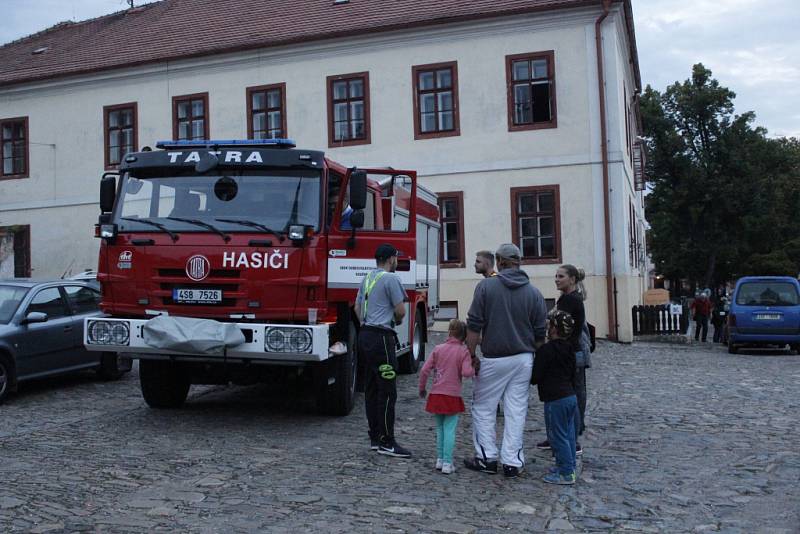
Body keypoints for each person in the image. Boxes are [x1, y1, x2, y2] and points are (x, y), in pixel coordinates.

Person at [463, 243, 547, 478]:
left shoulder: (486, 287)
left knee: (483, 407)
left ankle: (486, 457)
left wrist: (471, 355)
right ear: (519, 262)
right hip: (523, 358)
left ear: (499, 261)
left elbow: (474, 325)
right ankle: (512, 461)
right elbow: (541, 334)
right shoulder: (534, 293)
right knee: (516, 409)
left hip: (493, 357)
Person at [355, 243, 411, 458]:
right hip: (381, 338)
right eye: (396, 258)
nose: (396, 261)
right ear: (391, 259)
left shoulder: (368, 278)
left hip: (365, 335)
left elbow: (357, 308)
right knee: (387, 390)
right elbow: (400, 310)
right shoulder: (391, 278)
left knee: (371, 388)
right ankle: (388, 441)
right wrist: (396, 320)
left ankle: (375, 437)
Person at [538, 265, 588, 455]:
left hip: (570, 353)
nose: (557, 279)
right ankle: (558, 438)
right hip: (571, 352)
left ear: (572, 279)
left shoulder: (570, 300)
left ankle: (572, 440)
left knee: (570, 395)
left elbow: (564, 329)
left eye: (561, 276)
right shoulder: (569, 298)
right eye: (556, 276)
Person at [418, 319, 475, 475]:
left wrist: (422, 388)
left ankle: (440, 459)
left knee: (440, 428)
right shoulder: (463, 352)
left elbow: (424, 370)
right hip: (452, 396)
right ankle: (448, 463)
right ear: (464, 336)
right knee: (449, 429)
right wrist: (474, 367)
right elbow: (466, 372)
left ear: (449, 332)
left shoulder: (438, 349)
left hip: (436, 394)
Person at [531, 310, 579, 485]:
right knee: (569, 435)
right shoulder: (570, 349)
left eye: (549, 324)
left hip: (555, 398)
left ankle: (566, 473)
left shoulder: (546, 350)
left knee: (557, 436)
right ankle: (568, 465)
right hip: (570, 396)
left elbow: (535, 376)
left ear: (554, 329)